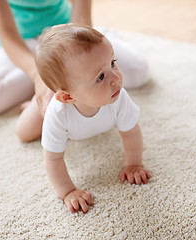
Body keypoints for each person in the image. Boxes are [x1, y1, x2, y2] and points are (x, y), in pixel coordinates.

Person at [0, 0, 149, 142]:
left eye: (112, 63)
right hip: (21, 43)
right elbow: (8, 34)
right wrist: (39, 74)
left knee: (139, 72)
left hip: (68, 33)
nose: (114, 78)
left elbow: (82, 17)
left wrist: (80, 58)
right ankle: (54, 80)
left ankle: (100, 44)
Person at [35, 23, 151, 214]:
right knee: (25, 131)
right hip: (51, 108)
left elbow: (131, 133)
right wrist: (68, 192)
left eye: (112, 63)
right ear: (68, 97)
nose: (116, 78)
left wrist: (134, 164)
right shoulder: (57, 114)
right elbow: (53, 159)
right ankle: (32, 102)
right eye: (100, 77)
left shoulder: (119, 96)